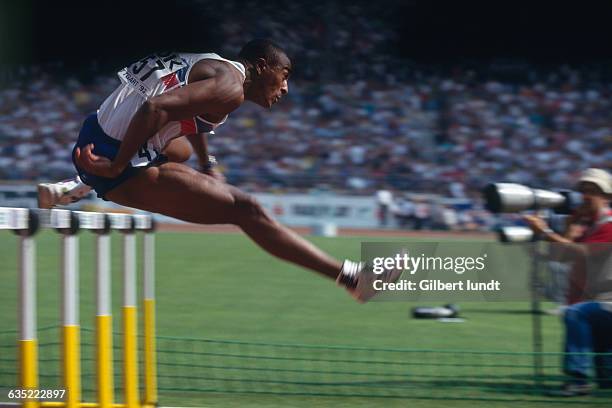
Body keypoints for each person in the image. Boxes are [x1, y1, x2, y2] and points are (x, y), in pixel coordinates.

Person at [38, 39, 401, 302]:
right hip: (119, 157)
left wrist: (207, 164)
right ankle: (354, 279)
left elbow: (185, 117)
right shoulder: (230, 87)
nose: (286, 87)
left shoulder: (211, 66)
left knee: (177, 151)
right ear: (261, 66)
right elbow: (154, 109)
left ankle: (75, 185)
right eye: (284, 75)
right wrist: (115, 164)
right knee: (247, 210)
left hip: (98, 130)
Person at [524, 168, 612, 396]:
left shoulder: (609, 225)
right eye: (582, 190)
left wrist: (545, 233)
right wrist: (569, 226)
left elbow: (581, 253)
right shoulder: (591, 227)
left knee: (575, 314)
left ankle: (579, 380)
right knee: (607, 382)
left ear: (607, 197)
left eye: (592, 191)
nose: (585, 195)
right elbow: (560, 257)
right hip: (600, 303)